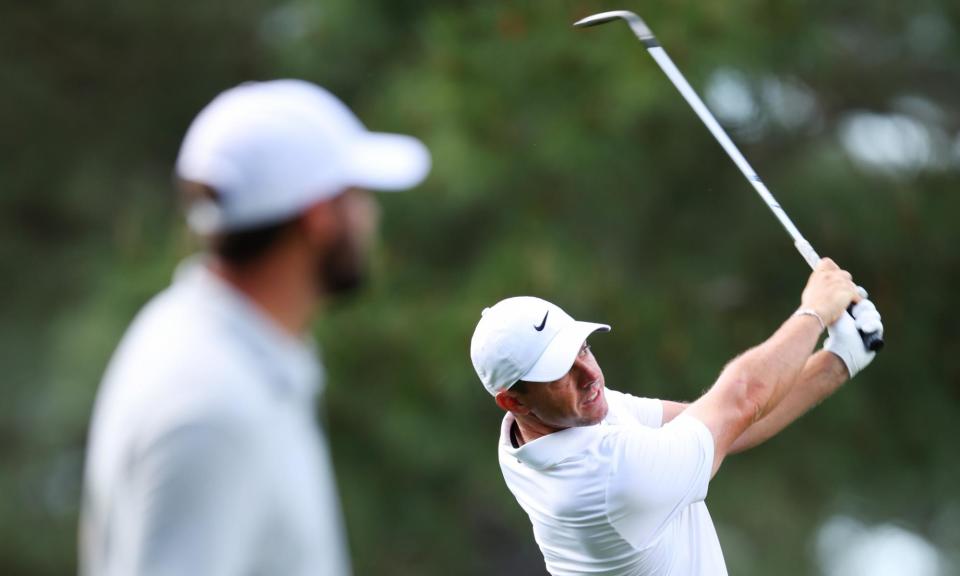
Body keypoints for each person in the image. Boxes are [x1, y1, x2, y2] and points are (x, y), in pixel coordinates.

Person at [80, 79, 431, 576]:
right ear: (319, 216)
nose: (371, 215)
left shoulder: (207, 341)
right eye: (357, 195)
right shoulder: (212, 408)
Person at [469, 259, 884, 576]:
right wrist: (813, 312)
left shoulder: (549, 428)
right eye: (561, 372)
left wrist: (841, 357)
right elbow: (741, 399)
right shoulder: (609, 475)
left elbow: (734, 423)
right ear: (514, 402)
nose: (590, 375)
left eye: (583, 349)